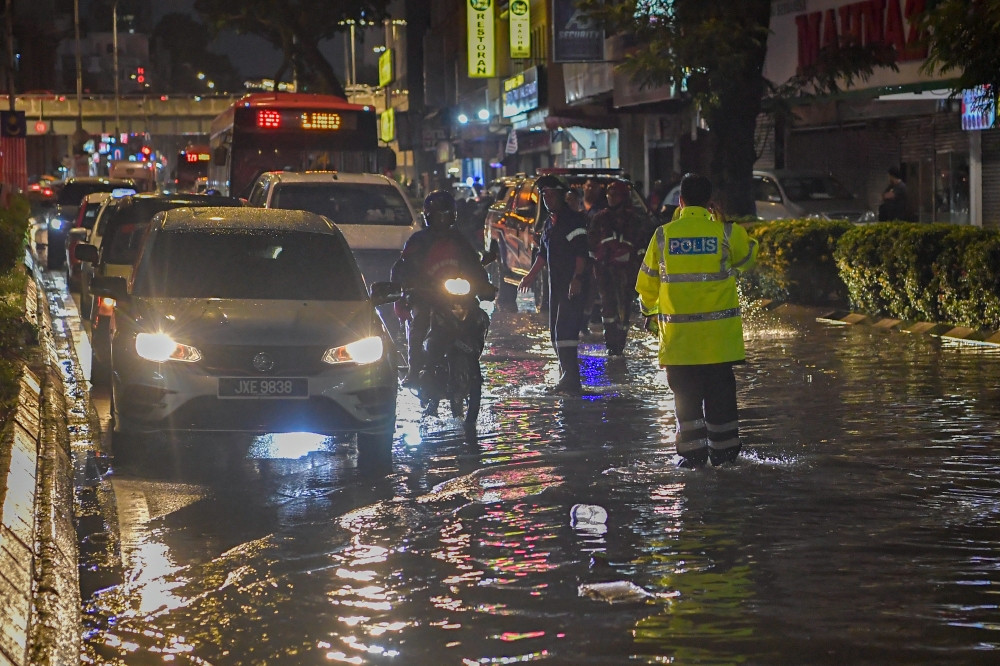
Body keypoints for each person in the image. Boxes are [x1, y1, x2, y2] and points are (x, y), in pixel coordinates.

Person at [636, 174, 758, 467]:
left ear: (680, 201)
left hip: (679, 346)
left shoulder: (663, 236)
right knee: (721, 405)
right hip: (719, 345)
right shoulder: (727, 234)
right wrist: (722, 221)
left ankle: (692, 460)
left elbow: (646, 286)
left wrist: (650, 315)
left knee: (687, 405)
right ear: (710, 203)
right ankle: (725, 459)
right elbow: (749, 257)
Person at [392, 190, 490, 386]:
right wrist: (407, 283)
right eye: (439, 215)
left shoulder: (460, 239)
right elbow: (403, 266)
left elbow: (474, 265)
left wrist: (485, 285)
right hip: (426, 294)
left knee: (479, 318)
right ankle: (415, 369)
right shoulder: (418, 240)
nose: (443, 220)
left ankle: (471, 358)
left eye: (447, 215)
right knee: (420, 321)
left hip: (456, 295)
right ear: (429, 216)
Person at [518, 175, 590, 395]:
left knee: (566, 332)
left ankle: (572, 381)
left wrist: (577, 279)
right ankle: (566, 378)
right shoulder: (549, 223)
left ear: (561, 194)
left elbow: (581, 252)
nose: (547, 199)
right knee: (555, 333)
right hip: (556, 286)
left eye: (550, 194)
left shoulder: (573, 221)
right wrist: (530, 276)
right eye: (544, 195)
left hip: (572, 284)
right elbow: (542, 253)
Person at [589, 181, 649, 356]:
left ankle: (620, 343)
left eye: (615, 195)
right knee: (607, 305)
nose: (611, 198)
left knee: (625, 307)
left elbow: (642, 244)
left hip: (627, 271)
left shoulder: (635, 219)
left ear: (624, 197)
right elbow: (591, 244)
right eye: (609, 194)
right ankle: (611, 345)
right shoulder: (600, 218)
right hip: (604, 269)